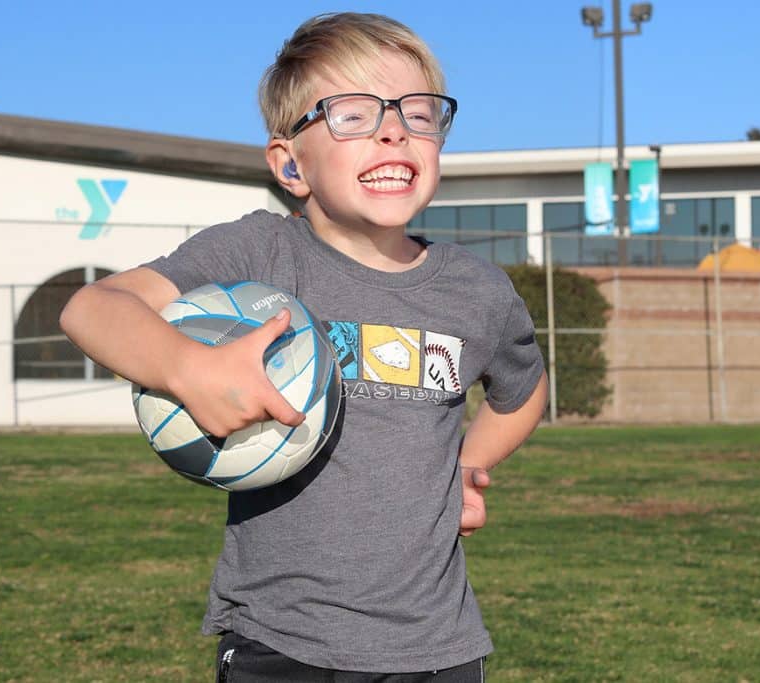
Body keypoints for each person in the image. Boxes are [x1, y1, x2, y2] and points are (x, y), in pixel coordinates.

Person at [60, 11, 547, 682]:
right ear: (290, 164)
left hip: (439, 650)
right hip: (281, 644)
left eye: (418, 112)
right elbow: (93, 306)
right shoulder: (260, 252)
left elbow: (524, 389)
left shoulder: (476, 291)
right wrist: (187, 366)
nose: (393, 128)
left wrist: (463, 466)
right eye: (352, 113)